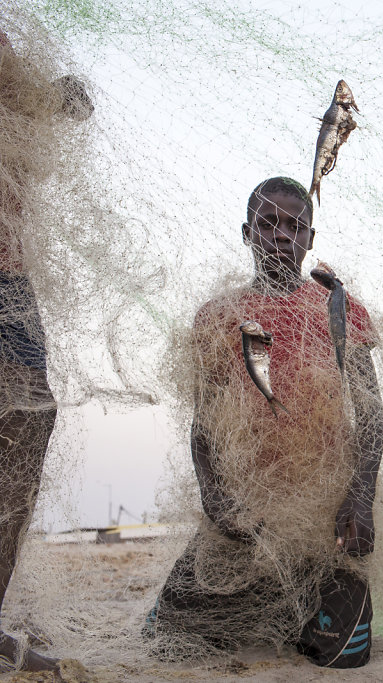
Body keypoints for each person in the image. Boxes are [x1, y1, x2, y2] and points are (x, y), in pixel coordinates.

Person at [145, 177, 383, 668]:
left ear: (310, 240)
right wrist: (214, 498)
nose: (282, 235)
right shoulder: (217, 315)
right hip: (248, 516)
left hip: (323, 519)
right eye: (268, 223)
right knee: (169, 643)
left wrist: (360, 496)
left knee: (343, 657)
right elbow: (204, 422)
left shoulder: (341, 308)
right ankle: (270, 604)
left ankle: (291, 606)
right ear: (247, 233)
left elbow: (372, 415)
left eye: (295, 226)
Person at [0, 29, 93, 674]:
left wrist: (52, 92)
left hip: (10, 283)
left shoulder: (11, 58)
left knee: (29, 424)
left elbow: (77, 105)